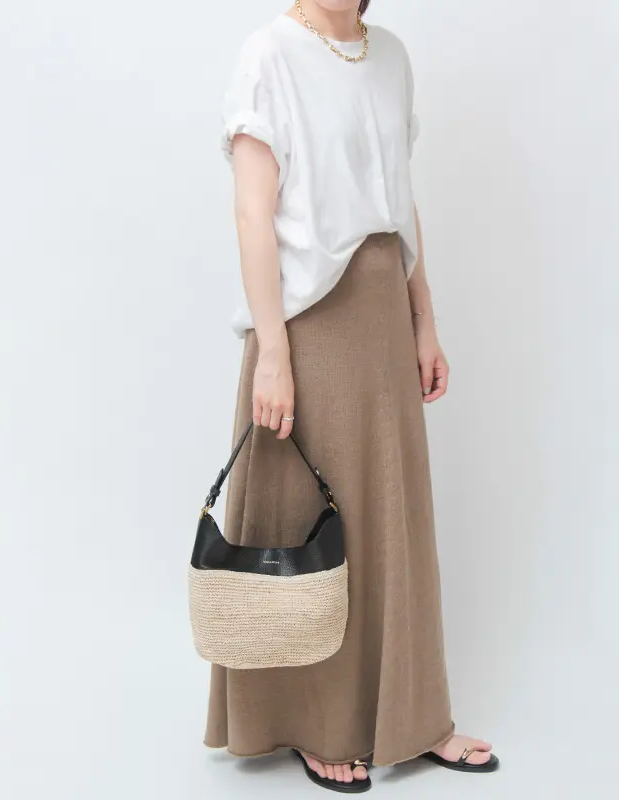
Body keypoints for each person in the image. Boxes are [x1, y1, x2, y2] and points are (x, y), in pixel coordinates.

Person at [204, 1, 500, 792]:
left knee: (392, 517)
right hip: (307, 319)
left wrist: (423, 318)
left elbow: (400, 202)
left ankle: (415, 718)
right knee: (312, 523)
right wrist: (273, 352)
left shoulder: (390, 56)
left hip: (380, 310)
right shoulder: (269, 54)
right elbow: (252, 212)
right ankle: (315, 724)